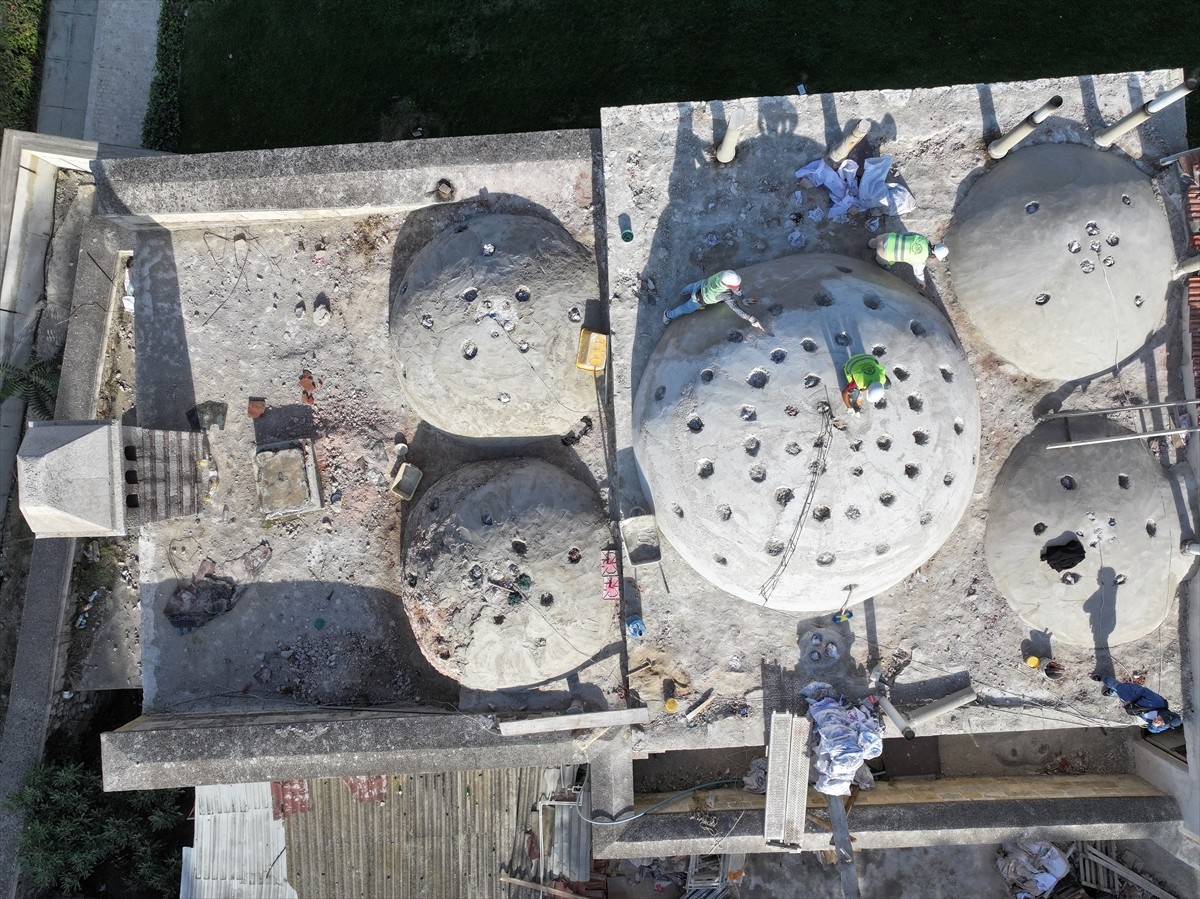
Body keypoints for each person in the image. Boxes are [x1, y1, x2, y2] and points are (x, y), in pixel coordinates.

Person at [663, 270, 764, 330]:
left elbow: (736, 289)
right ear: (728, 285)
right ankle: (668, 315)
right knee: (684, 309)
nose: (736, 288)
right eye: (734, 286)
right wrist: (752, 319)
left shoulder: (724, 274)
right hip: (698, 299)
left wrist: (743, 299)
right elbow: (735, 308)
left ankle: (684, 292)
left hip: (701, 284)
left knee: (690, 287)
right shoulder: (725, 295)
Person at [1096, 674, 1183, 733]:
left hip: (1136, 708)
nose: (1160, 721)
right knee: (1117, 686)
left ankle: (1112, 692)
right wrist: (1130, 698)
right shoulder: (1158, 702)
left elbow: (1153, 730)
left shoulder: (1164, 725)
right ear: (1166, 713)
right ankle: (1102, 677)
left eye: (1164, 723)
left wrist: (1153, 725)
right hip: (1133, 697)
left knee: (1120, 695)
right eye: (1163, 718)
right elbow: (1144, 691)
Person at [868, 232, 948, 291]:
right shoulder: (920, 261)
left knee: (875, 242)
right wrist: (922, 284)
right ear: (934, 256)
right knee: (886, 265)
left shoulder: (922, 238)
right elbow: (919, 274)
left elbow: (906, 235)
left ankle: (871, 244)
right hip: (883, 253)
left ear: (934, 245)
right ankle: (879, 259)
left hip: (886, 237)